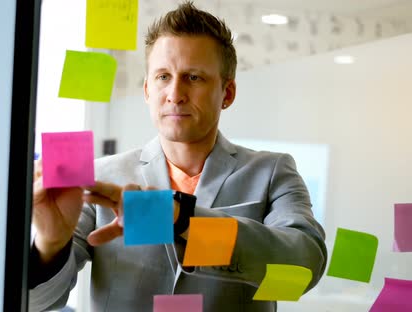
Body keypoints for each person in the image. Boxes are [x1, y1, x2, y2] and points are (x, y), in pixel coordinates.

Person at [29, 1, 327, 311]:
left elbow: (304, 268)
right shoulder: (98, 178)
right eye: (162, 77)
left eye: (194, 77)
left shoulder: (271, 172)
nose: (175, 93)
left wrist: (180, 218)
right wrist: (49, 244)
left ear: (227, 93)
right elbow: (35, 303)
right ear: (146, 90)